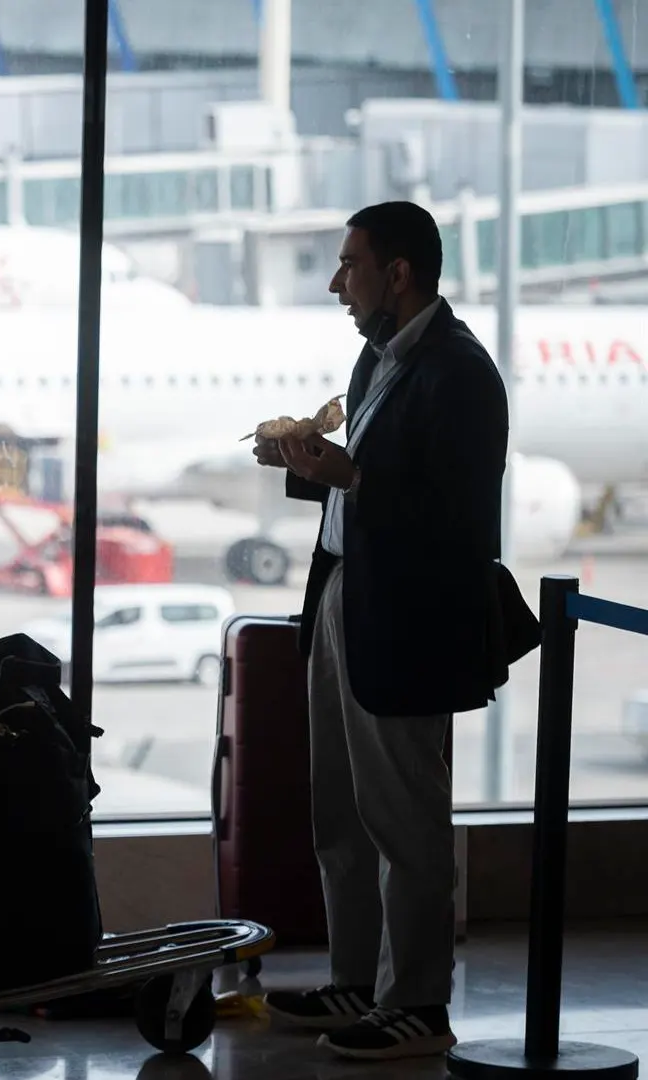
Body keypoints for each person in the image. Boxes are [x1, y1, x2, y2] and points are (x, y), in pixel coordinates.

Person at [254, 202, 508, 1061]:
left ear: (398, 274)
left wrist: (351, 476)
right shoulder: (377, 361)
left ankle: (419, 1006)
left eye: (349, 266)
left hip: (408, 618)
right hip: (346, 599)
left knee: (406, 824)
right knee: (341, 818)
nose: (336, 284)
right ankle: (359, 980)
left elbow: (462, 520)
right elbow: (361, 484)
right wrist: (310, 467)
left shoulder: (460, 373)